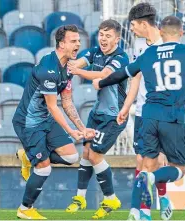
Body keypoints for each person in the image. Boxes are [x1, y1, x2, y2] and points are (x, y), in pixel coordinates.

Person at [93, 16, 185, 221]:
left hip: (149, 117)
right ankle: (151, 180)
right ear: (181, 33)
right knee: (178, 168)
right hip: (172, 117)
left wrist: (102, 82)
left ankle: (137, 212)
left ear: (160, 32)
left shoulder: (148, 53)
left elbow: (122, 74)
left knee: (146, 163)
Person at [12, 25, 95, 220]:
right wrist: (72, 131)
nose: (78, 44)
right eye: (73, 41)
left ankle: (28, 156)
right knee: (44, 167)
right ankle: (25, 208)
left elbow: (66, 101)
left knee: (71, 157)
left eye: (78, 40)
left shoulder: (68, 68)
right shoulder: (48, 68)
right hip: (29, 122)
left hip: (45, 120)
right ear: (61, 43)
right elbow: (52, 106)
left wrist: (82, 129)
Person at [65, 19, 129, 219]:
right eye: (101, 34)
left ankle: (110, 198)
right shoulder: (95, 51)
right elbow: (79, 62)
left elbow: (103, 74)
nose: (103, 39)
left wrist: (77, 71)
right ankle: (80, 198)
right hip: (97, 113)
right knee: (85, 152)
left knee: (94, 155)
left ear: (117, 39)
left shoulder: (121, 57)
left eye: (108, 36)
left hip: (114, 116)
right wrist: (68, 61)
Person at [116, 3, 171, 220]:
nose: (131, 29)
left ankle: (146, 208)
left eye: (132, 25)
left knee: (152, 161)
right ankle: (144, 208)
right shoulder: (140, 44)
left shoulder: (168, 45)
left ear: (143, 23)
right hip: (141, 112)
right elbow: (136, 79)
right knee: (141, 161)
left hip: (160, 111)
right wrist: (127, 106)